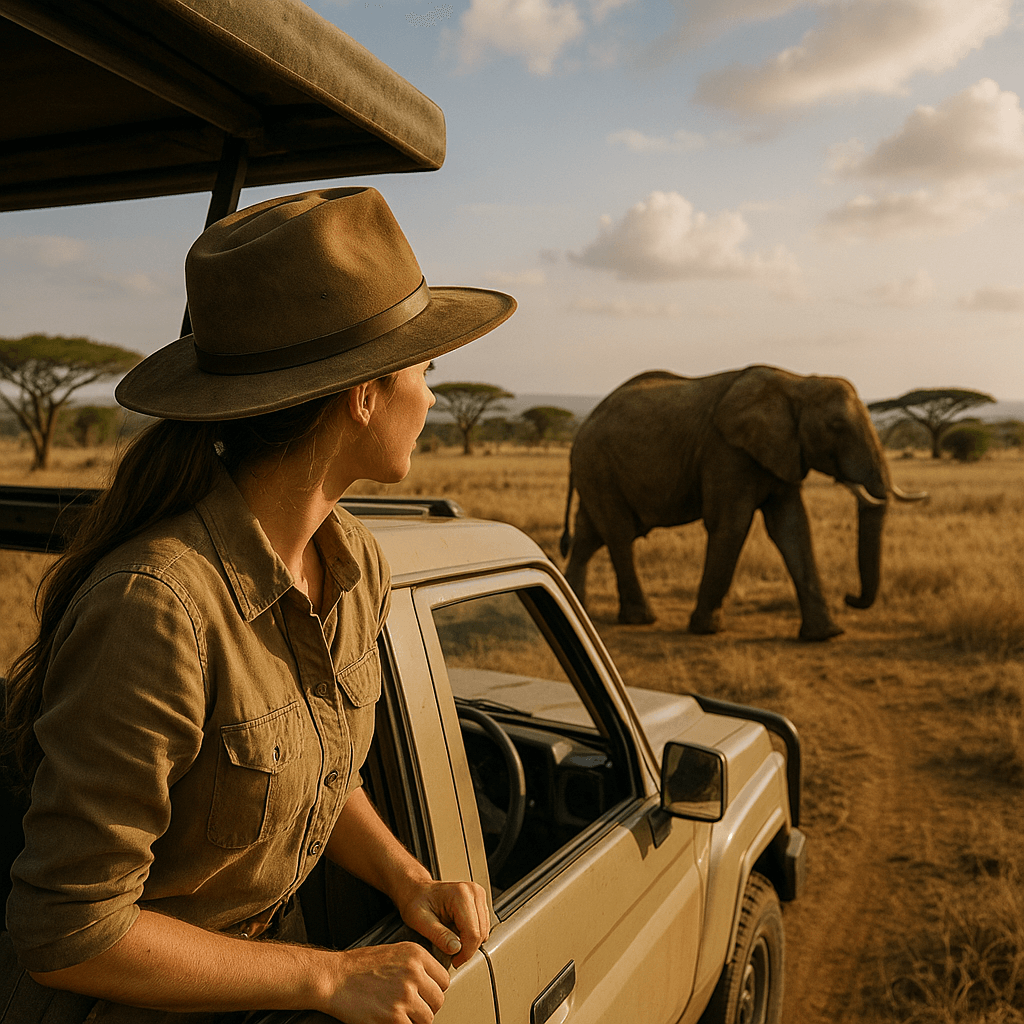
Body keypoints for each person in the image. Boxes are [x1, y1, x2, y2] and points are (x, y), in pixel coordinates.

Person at [0, 186, 516, 1024]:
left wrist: (408, 879)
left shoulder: (355, 565)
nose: (430, 396)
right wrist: (327, 978)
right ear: (362, 395)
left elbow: (311, 769)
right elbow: (67, 930)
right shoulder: (157, 609)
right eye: (426, 369)